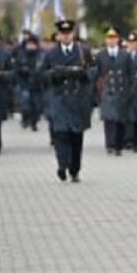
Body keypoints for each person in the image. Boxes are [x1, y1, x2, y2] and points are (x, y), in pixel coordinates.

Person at [40, 19, 96, 183]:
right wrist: (55, 74)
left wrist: (81, 73)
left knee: (76, 137)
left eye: (68, 33)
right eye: (62, 34)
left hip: (78, 99)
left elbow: (93, 70)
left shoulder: (83, 50)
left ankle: (75, 169)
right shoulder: (51, 54)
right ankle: (62, 165)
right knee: (60, 134)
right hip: (59, 99)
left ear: (73, 34)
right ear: (58, 35)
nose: (66, 36)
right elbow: (42, 75)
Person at [96, 27, 134, 155]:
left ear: (118, 40)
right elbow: (98, 74)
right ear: (106, 40)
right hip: (107, 91)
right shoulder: (100, 55)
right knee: (109, 119)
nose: (111, 41)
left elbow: (131, 74)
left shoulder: (125, 55)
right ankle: (110, 144)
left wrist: (130, 91)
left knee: (121, 120)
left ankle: (119, 145)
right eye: (109, 38)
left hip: (122, 91)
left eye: (114, 38)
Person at [14, 35, 45, 131]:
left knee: (37, 106)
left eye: (33, 44)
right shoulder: (21, 55)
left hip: (37, 85)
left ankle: (34, 122)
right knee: (25, 105)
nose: (31, 46)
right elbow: (16, 69)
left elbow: (44, 69)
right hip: (25, 84)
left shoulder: (41, 56)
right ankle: (26, 119)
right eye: (29, 44)